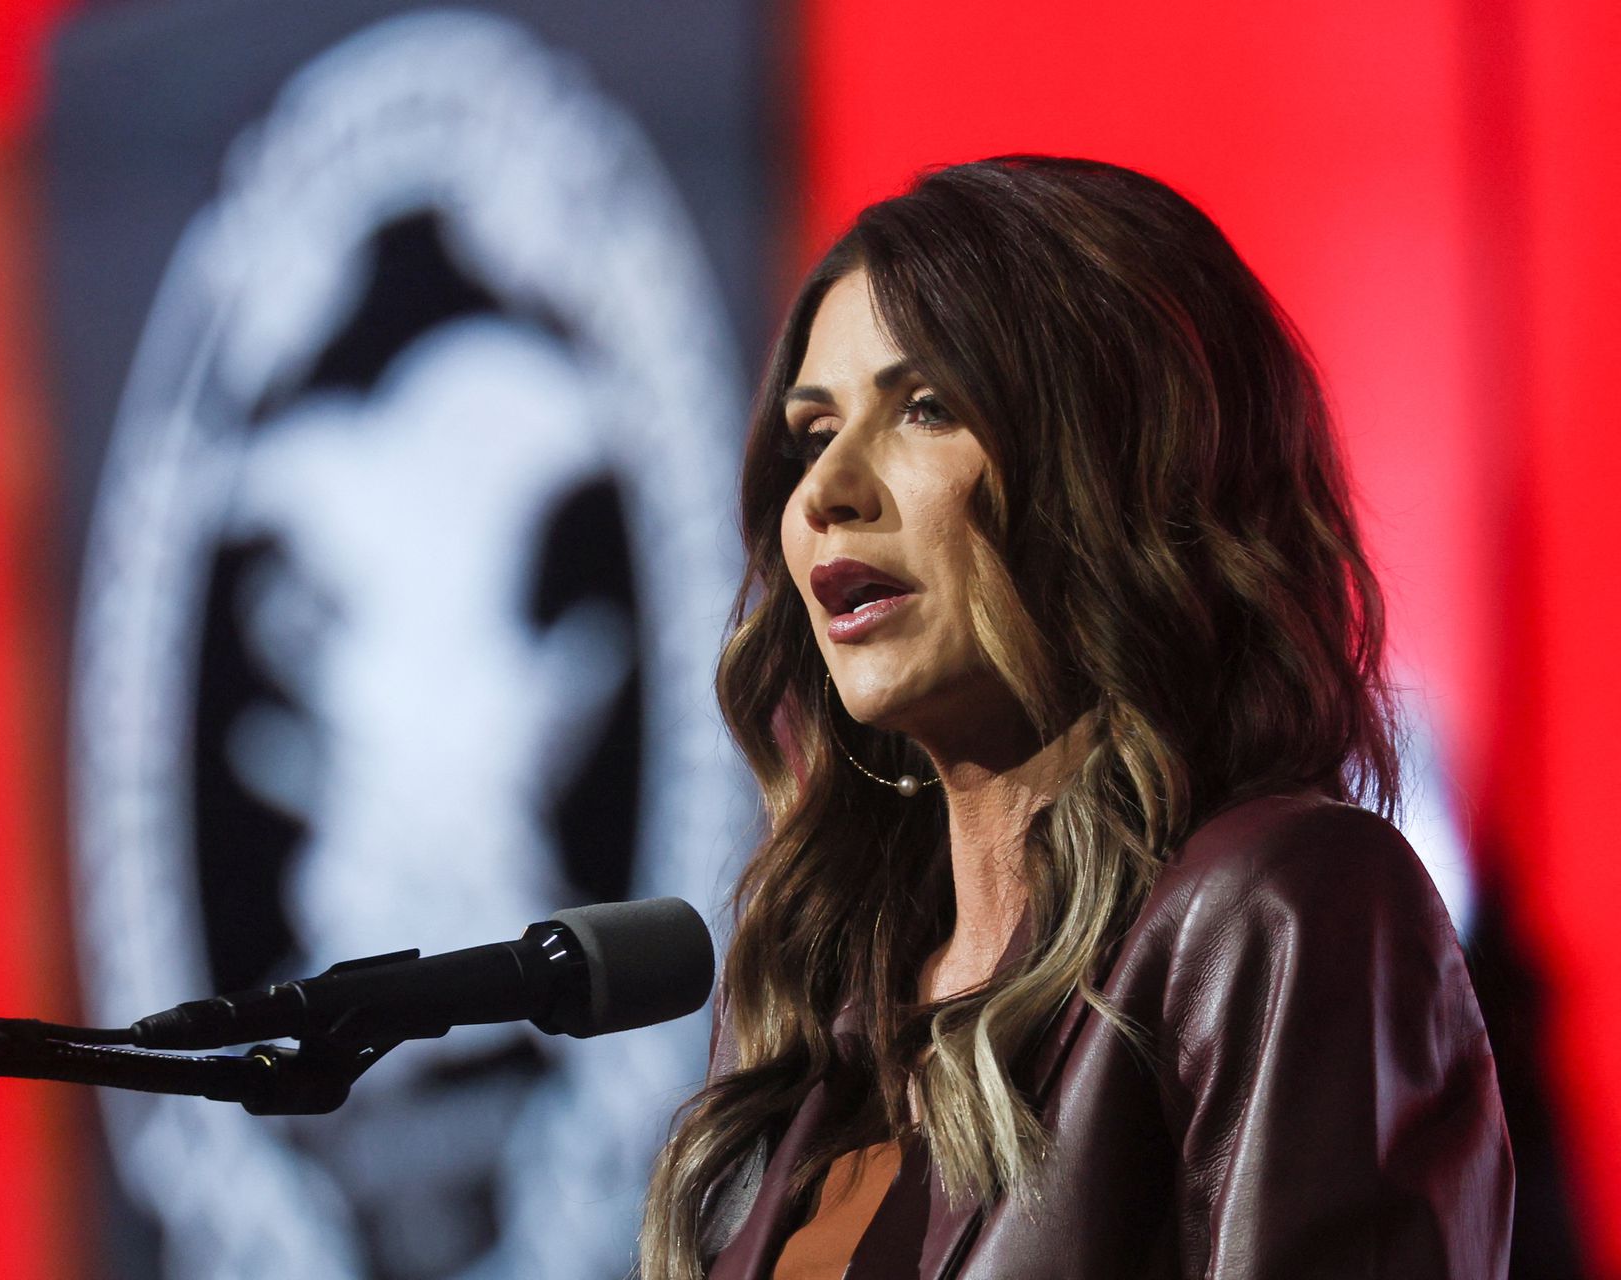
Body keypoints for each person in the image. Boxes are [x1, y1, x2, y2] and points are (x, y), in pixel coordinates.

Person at [638, 157, 1513, 1279]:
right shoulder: (830, 1023)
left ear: (1116, 461)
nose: (826, 492)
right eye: (812, 432)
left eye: (925, 408)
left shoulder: (1276, 910)